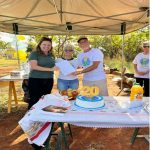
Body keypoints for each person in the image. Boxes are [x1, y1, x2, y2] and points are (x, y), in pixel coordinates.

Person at [28, 37, 56, 110]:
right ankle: (31, 118)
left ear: (51, 46)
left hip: (49, 80)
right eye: (44, 44)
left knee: (46, 99)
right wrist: (50, 69)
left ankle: (43, 118)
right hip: (36, 80)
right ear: (40, 45)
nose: (46, 46)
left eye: (49, 45)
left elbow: (54, 66)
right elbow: (34, 66)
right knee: (34, 99)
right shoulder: (34, 54)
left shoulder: (51, 55)